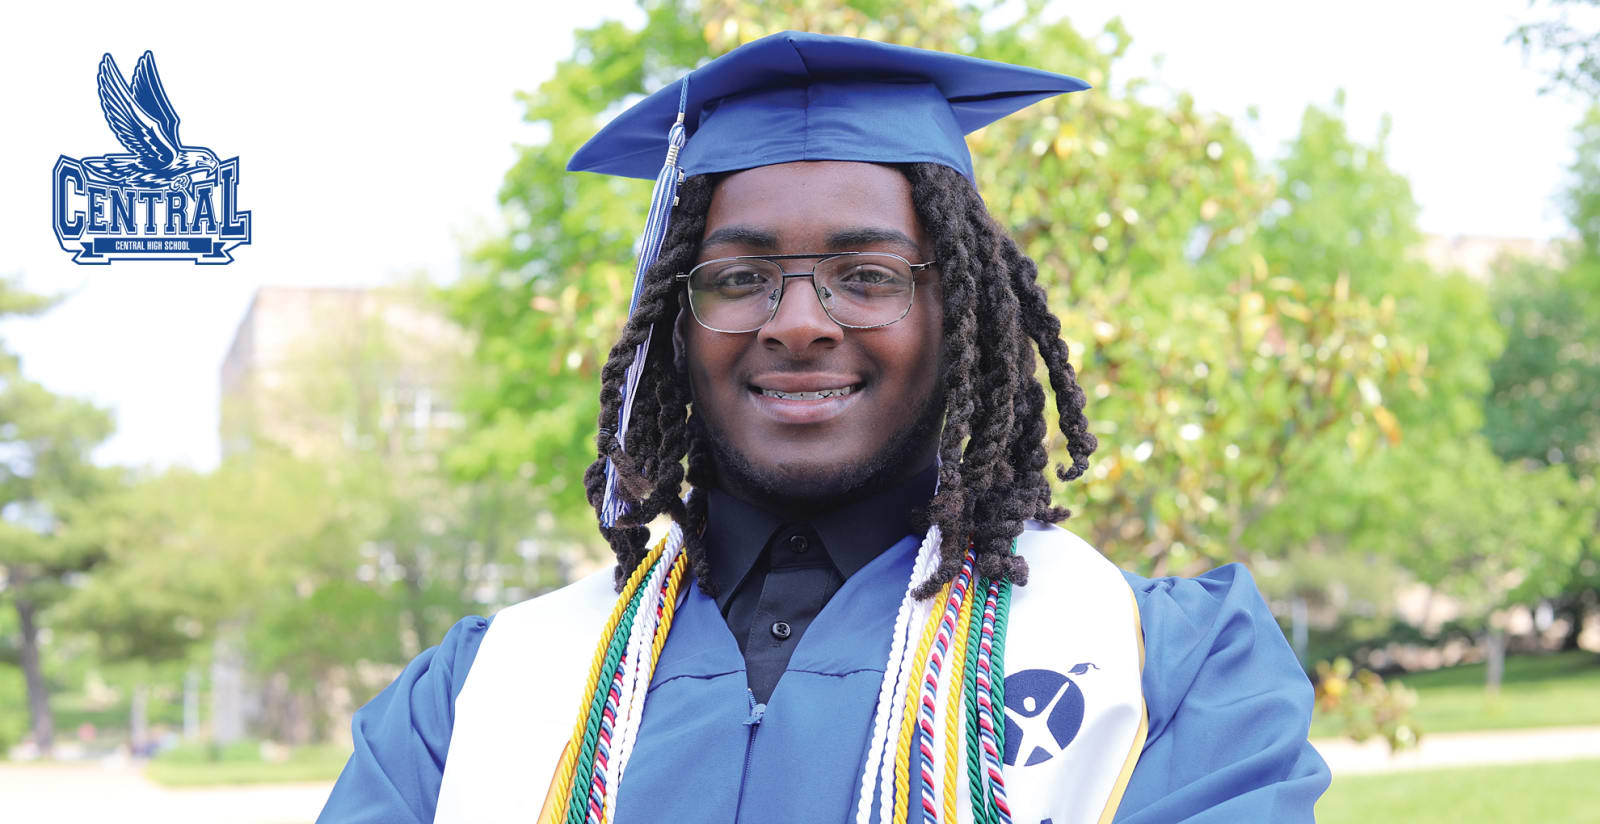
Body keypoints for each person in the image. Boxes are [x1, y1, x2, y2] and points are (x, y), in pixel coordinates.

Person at [318, 31, 1330, 824]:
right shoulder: (476, 693)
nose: (798, 321)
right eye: (740, 277)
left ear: (963, 314)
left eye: (868, 276)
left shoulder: (1173, 666)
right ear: (674, 320)